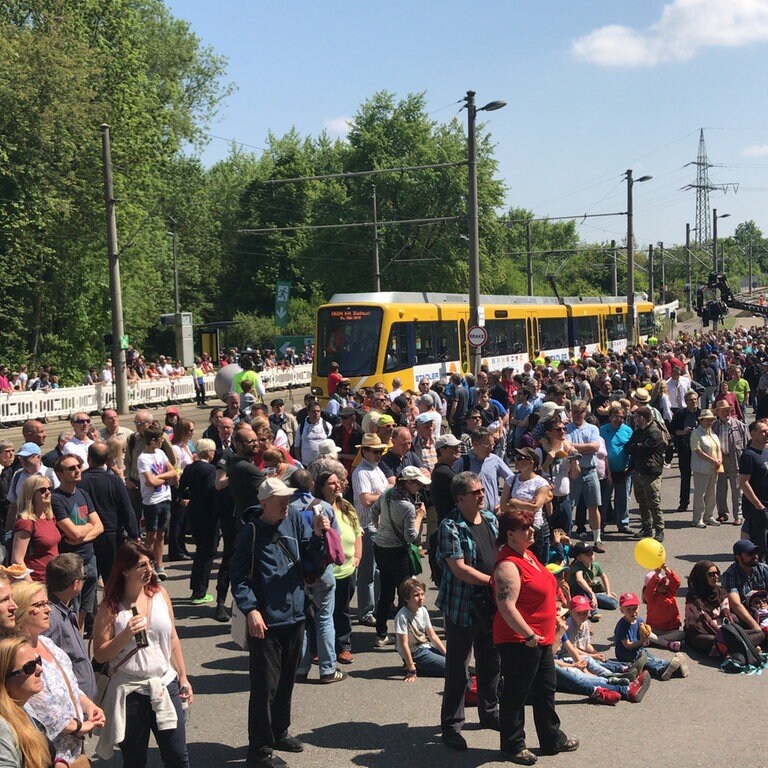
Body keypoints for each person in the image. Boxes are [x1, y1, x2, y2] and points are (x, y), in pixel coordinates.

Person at [229, 477, 329, 768]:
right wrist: (251, 610)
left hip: (295, 615)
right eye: (279, 499)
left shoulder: (295, 519)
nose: (286, 503)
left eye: (287, 498)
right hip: (267, 621)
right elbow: (239, 577)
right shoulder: (250, 532)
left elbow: (311, 561)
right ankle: (258, 752)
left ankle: (279, 731)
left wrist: (319, 537)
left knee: (287, 680)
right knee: (264, 687)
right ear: (264, 503)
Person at [92, 541, 191, 767]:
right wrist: (125, 634)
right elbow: (100, 654)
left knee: (178, 756)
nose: (149, 570)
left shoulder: (160, 594)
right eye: (141, 565)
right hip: (130, 692)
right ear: (125, 570)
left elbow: (172, 637)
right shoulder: (111, 607)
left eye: (151, 564)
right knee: (135, 760)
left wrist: (183, 677)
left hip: (165, 684)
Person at [492, 506, 577, 764]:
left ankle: (552, 739)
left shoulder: (528, 555)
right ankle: (513, 745)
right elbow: (506, 606)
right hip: (520, 640)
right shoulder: (508, 565)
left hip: (540, 638)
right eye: (524, 528)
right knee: (516, 694)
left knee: (545, 690)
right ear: (510, 534)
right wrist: (529, 635)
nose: (532, 531)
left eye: (531, 526)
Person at [437, 472, 500, 752]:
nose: (481, 494)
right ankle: (451, 725)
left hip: (490, 604)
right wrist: (492, 580)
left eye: (481, 490)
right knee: (458, 668)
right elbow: (459, 568)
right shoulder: (450, 526)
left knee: (490, 661)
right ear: (460, 498)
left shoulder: (490, 519)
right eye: (475, 492)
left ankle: (489, 712)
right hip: (462, 606)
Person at [12, 580, 106, 765]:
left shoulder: (47, 644)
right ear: (21, 610)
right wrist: (79, 726)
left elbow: (70, 685)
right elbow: (38, 705)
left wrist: (88, 706)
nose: (48, 610)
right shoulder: (19, 657)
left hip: (75, 749)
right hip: (51, 756)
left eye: (47, 603)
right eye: (39, 605)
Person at [371, 466, 429, 647]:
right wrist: (420, 516)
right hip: (397, 552)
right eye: (417, 484)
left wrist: (381, 529)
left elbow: (374, 511)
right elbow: (410, 536)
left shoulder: (387, 494)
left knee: (386, 591)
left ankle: (381, 633)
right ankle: (407, 633)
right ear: (409, 483)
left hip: (380, 547)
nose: (419, 487)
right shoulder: (407, 506)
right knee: (406, 593)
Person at [314, 470, 361, 665]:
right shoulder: (317, 508)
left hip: (347, 569)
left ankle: (344, 647)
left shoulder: (346, 506)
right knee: (322, 611)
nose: (337, 486)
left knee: (342, 610)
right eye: (331, 483)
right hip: (326, 570)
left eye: (338, 482)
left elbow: (358, 532)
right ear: (321, 487)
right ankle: (319, 649)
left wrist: (357, 556)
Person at [78, 441, 139, 589]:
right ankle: (113, 606)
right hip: (112, 533)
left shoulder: (80, 481)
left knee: (89, 576)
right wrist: (133, 532)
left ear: (88, 458)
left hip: (87, 532)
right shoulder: (114, 480)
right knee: (112, 576)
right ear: (107, 459)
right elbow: (126, 508)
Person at [42, 553, 96, 700]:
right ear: (75, 584)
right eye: (84, 577)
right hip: (72, 703)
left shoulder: (66, 609)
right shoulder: (51, 617)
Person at [0, 636, 57, 768]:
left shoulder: (25, 707)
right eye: (29, 667)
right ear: (5, 680)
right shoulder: (2, 727)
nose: (40, 669)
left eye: (38, 661)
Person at [351, 434, 389, 628]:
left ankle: (376, 607)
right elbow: (365, 499)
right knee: (368, 572)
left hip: (380, 525)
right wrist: (385, 494)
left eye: (381, 451)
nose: (379, 455)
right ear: (364, 451)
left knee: (378, 570)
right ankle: (366, 611)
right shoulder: (361, 472)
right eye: (375, 451)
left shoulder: (376, 469)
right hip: (368, 526)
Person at [683, 560, 760, 656]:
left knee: (759, 634)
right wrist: (725, 636)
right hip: (700, 632)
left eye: (717, 573)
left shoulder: (721, 592)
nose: (715, 577)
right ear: (702, 576)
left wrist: (732, 633)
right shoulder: (693, 596)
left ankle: (736, 648)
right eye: (711, 574)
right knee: (715, 641)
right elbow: (706, 621)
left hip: (722, 630)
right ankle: (744, 647)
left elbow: (726, 615)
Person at [613, 591, 688, 680]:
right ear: (622, 610)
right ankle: (661, 671)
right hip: (625, 655)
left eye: (635, 608)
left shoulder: (639, 620)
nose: (633, 612)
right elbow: (627, 646)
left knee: (653, 658)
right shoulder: (622, 626)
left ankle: (673, 666)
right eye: (629, 609)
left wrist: (646, 636)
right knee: (645, 662)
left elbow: (644, 632)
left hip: (638, 649)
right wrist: (642, 641)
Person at [178, 439, 218, 605]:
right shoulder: (210, 469)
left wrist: (189, 497)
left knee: (200, 550)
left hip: (193, 511)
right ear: (209, 453)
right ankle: (201, 590)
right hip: (208, 514)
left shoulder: (189, 467)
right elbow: (212, 491)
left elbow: (182, 489)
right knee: (208, 552)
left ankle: (196, 588)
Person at [136, 426, 176, 581]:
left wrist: (161, 477)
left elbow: (173, 471)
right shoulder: (143, 458)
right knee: (151, 535)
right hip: (152, 501)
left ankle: (160, 565)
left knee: (161, 534)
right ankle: (149, 566)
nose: (162, 442)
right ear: (152, 441)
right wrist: (164, 477)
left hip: (165, 497)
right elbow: (150, 481)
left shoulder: (161, 453)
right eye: (160, 439)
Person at [565, 400, 604, 552]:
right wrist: (582, 448)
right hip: (572, 472)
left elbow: (595, 447)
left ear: (585, 413)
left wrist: (575, 448)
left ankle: (597, 539)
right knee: (569, 506)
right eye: (573, 411)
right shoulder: (566, 429)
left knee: (593, 506)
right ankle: (566, 539)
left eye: (579, 412)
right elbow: (567, 448)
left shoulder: (592, 428)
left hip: (590, 471)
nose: (575, 415)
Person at [500, 447, 551, 564]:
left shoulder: (541, 483)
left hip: (534, 528)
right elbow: (503, 506)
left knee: (537, 562)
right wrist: (526, 505)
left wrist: (515, 502)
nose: (516, 461)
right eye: (515, 457)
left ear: (530, 462)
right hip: (515, 527)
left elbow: (536, 507)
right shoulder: (511, 480)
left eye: (520, 458)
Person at [394, 577, 446, 682]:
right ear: (406, 598)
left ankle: (423, 665)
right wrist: (411, 669)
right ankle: (414, 665)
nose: (421, 598)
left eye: (422, 594)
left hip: (426, 647)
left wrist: (446, 653)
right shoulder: (402, 616)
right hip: (416, 653)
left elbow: (432, 636)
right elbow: (403, 644)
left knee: (455, 662)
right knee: (451, 669)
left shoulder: (423, 610)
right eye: (416, 595)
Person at [11, 477, 61, 583]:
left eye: (49, 489)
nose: (48, 492)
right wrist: (32, 587)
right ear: (31, 494)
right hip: (36, 581)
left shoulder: (49, 517)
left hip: (54, 580)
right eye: (42, 490)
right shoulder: (25, 522)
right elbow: (17, 560)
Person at [720, 539, 768, 637]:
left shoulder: (763, 569)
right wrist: (755, 626)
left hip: (764, 608)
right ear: (738, 557)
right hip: (745, 614)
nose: (755, 556)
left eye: (756, 552)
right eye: (750, 553)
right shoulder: (730, 575)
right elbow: (735, 604)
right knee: (733, 619)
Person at [713, 399, 748, 524]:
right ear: (718, 413)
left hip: (735, 460)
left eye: (728, 410)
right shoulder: (714, 426)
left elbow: (746, 445)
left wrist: (745, 462)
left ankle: (738, 515)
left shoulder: (739, 425)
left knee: (737, 489)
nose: (726, 413)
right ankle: (722, 513)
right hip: (720, 460)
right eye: (723, 411)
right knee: (721, 488)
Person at [600, 405, 633, 534]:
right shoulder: (602, 430)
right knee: (604, 499)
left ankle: (623, 523)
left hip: (623, 470)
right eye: (615, 417)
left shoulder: (628, 430)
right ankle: (600, 524)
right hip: (605, 471)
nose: (618, 419)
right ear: (609, 417)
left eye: (621, 417)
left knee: (622, 498)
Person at [738, 419, 768, 558]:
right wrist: (759, 505)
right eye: (762, 431)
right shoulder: (749, 455)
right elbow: (744, 482)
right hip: (757, 508)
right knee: (760, 546)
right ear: (753, 434)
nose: (766, 433)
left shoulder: (766, 452)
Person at [689, 408, 722, 529]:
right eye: (707, 420)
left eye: (711, 420)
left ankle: (709, 516)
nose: (710, 422)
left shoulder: (712, 433)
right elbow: (698, 451)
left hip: (714, 468)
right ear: (701, 420)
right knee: (700, 494)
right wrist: (713, 460)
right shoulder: (696, 433)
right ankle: (697, 518)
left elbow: (718, 448)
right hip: (701, 468)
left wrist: (719, 459)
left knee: (711, 494)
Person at [568, 541, 618, 617]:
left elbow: (604, 576)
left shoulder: (595, 565)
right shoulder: (577, 566)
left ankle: (600, 595)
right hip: (576, 593)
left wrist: (608, 593)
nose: (591, 555)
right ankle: (593, 611)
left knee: (613, 604)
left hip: (589, 592)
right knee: (582, 591)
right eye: (587, 554)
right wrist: (592, 594)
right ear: (579, 557)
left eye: (592, 553)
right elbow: (579, 580)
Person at [671, 389, 700, 513]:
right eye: (690, 400)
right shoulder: (680, 414)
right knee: (686, 477)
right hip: (685, 449)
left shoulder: (702, 413)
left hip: (700, 450)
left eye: (695, 399)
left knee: (700, 478)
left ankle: (700, 505)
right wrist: (683, 432)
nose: (693, 402)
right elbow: (672, 430)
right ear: (686, 402)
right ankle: (683, 503)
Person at [642, 564, 685, 650]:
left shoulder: (670, 592)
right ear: (655, 587)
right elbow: (649, 589)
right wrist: (656, 575)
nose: (665, 585)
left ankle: (654, 641)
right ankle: (667, 644)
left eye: (665, 582)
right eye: (660, 584)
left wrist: (666, 569)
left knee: (682, 634)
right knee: (643, 631)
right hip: (654, 629)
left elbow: (677, 582)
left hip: (670, 630)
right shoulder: (651, 597)